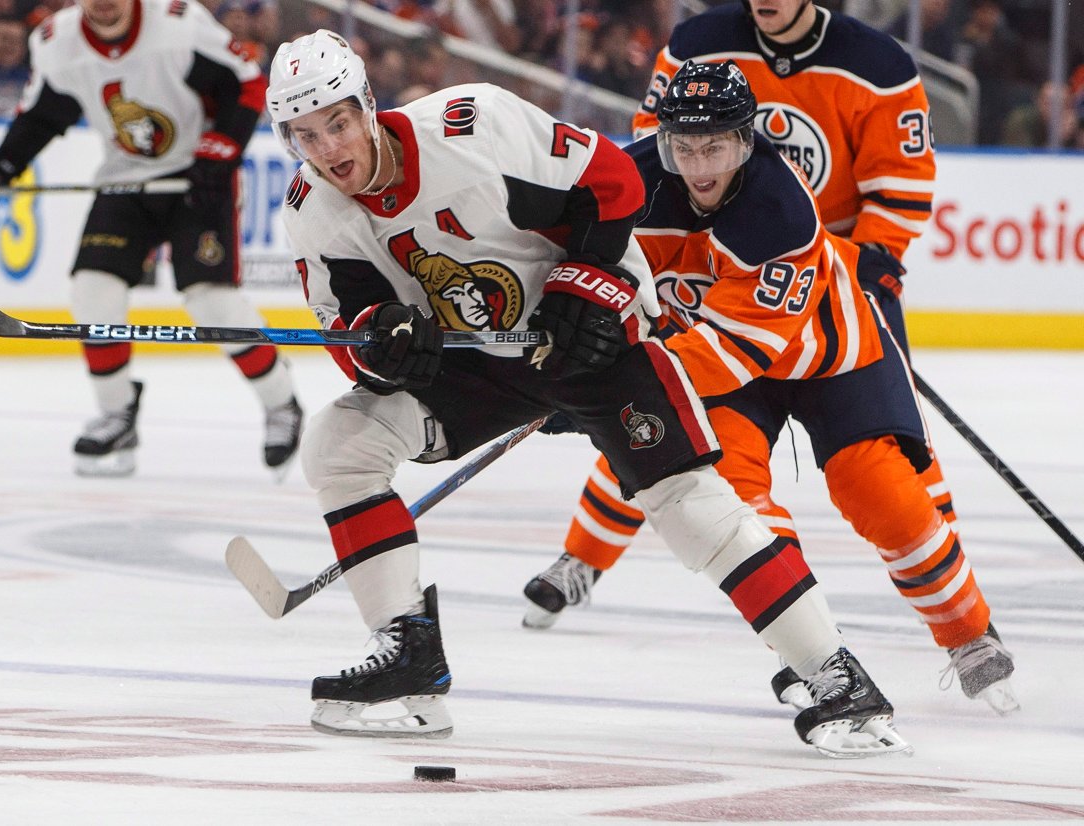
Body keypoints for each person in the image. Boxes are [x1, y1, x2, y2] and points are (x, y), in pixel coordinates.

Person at [266, 29, 910, 757]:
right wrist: (385, 346)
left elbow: (613, 184)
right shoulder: (311, 210)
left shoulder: (473, 123)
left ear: (368, 105)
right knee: (340, 445)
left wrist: (592, 288)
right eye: (306, 134)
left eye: (338, 123)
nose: (328, 149)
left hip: (594, 328)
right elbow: (348, 333)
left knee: (685, 501)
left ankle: (834, 673)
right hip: (480, 364)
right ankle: (408, 661)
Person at [522, 6, 1020, 714]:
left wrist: (609, 380)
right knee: (733, 496)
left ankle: (967, 631)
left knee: (874, 482)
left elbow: (737, 347)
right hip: (714, 351)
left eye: (716, 150)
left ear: (747, 142)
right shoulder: (636, 184)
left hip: (828, 349)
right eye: (683, 148)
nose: (698, 168)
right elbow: (567, 250)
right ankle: (806, 640)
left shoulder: (778, 213)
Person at [0, 0, 302, 479]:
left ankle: (281, 403)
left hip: (196, 177)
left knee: (213, 304)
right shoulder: (56, 43)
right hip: (124, 180)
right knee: (93, 292)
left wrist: (223, 149)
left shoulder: (177, 24)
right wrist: (0, 167)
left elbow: (247, 82)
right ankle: (116, 412)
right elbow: (43, 116)